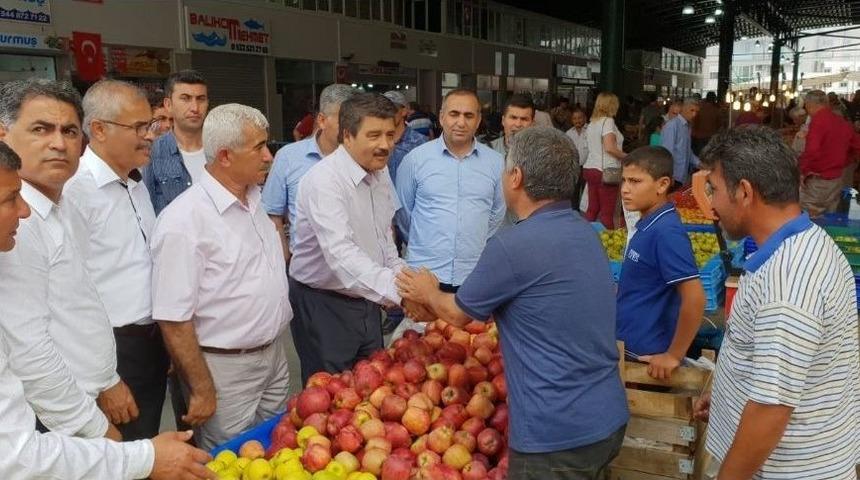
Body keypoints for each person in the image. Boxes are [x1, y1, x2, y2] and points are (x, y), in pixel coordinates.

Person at [396, 127, 629, 480]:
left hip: (555, 436)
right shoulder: (585, 231)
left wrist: (427, 291)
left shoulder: (513, 245)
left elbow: (458, 313)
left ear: (516, 177)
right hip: (607, 417)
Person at [0, 141, 216, 480]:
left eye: (70, 130)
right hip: (72, 400)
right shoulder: (29, 236)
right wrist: (134, 455)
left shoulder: (76, 202)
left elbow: (82, 303)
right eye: (10, 199)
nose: (24, 211)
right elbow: (16, 456)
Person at [693, 126, 860, 479]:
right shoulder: (804, 241)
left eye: (715, 190)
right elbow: (779, 370)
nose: (711, 204)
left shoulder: (787, 286)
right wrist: (728, 397)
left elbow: (770, 411)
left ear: (744, 192)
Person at [151, 104, 292, 450]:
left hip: (274, 356)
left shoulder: (256, 200)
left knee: (275, 447)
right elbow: (173, 318)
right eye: (259, 147)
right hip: (226, 370)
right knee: (229, 458)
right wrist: (202, 387)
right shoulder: (183, 222)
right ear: (226, 156)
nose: (269, 156)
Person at [0, 78, 127, 441]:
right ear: (3, 135)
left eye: (70, 131)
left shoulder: (60, 203)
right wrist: (94, 430)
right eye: (41, 129)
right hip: (54, 419)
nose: (59, 143)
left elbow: (74, 307)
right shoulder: (16, 223)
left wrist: (107, 380)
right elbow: (29, 351)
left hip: (84, 397)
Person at [288, 93, 429, 384]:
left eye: (390, 134)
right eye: (374, 135)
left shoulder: (379, 173)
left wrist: (409, 283)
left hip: (366, 297)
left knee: (370, 385)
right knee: (331, 395)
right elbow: (342, 254)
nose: (385, 144)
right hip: (323, 304)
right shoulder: (324, 181)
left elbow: (384, 244)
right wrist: (401, 293)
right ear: (347, 135)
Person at [63, 80, 167, 441]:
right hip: (111, 353)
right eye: (139, 127)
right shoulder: (76, 191)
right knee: (116, 455)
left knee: (143, 443)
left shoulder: (135, 183)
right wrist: (105, 379)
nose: (150, 135)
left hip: (148, 344)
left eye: (151, 125)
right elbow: (67, 297)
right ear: (100, 130)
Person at [395, 89, 505, 289]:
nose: (461, 122)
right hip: (425, 274)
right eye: (454, 114)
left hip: (474, 275)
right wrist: (426, 244)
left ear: (479, 120)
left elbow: (497, 213)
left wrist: (472, 243)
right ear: (441, 117)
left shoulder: (496, 163)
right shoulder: (415, 160)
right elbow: (403, 213)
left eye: (469, 115)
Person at [616, 146, 705, 378]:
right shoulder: (648, 224)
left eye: (635, 181)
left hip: (649, 361)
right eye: (623, 181)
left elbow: (695, 298)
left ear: (662, 184)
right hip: (631, 353)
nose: (625, 189)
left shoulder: (666, 232)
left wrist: (674, 355)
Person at [262, 83, 355, 262]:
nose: (352, 128)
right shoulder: (289, 157)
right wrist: (285, 260)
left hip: (358, 275)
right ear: (321, 120)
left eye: (357, 121)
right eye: (344, 120)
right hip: (306, 276)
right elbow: (273, 214)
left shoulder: (364, 159)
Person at [143, 69, 209, 215]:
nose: (195, 108)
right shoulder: (152, 153)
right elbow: (147, 212)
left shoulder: (221, 150)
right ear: (168, 104)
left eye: (201, 99)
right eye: (185, 98)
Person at [798, 90, 860, 217]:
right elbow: (857, 146)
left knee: (809, 219)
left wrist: (802, 171)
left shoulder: (818, 122)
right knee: (829, 220)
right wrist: (844, 161)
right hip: (836, 181)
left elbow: (812, 151)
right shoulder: (842, 122)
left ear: (810, 104)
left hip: (817, 181)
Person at [582, 92, 626, 228]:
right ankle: (609, 243)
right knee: (608, 212)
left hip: (590, 168)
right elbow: (610, 148)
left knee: (592, 209)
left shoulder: (591, 123)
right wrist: (629, 156)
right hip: (606, 171)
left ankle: (585, 236)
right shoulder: (608, 122)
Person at [383, 90, 428, 185]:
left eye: (391, 109)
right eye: (382, 109)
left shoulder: (419, 142)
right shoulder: (377, 141)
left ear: (404, 111)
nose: (386, 113)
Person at [661, 98, 700, 187]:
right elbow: (667, 152)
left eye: (696, 112)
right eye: (692, 110)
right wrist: (669, 175)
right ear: (684, 108)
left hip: (683, 176)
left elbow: (687, 152)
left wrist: (700, 164)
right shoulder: (672, 126)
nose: (694, 114)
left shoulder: (687, 127)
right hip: (673, 176)